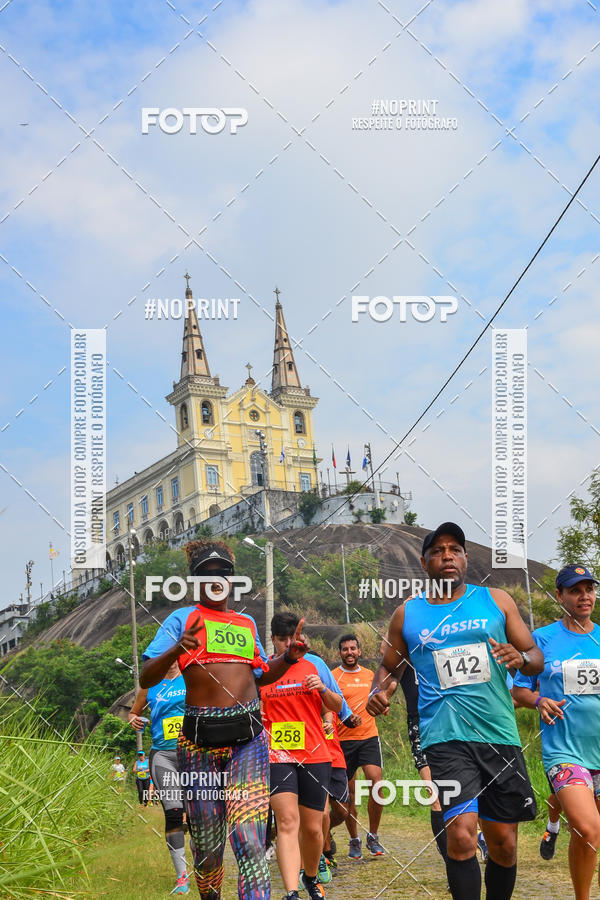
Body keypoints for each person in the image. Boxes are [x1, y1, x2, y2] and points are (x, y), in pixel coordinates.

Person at [366, 521, 543, 900]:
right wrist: (377, 692)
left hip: (498, 735)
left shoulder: (496, 600)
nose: (448, 555)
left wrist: (521, 656)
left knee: (504, 844)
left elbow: (536, 658)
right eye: (438, 551)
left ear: (465, 558)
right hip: (444, 738)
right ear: (424, 562)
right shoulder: (408, 614)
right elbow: (387, 667)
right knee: (461, 837)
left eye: (455, 549)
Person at [140, 539, 309, 900]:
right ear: (195, 581)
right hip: (197, 745)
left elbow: (262, 677)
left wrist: (290, 657)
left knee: (249, 842)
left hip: (247, 742)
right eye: (206, 574)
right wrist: (176, 649)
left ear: (233, 580)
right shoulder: (182, 620)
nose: (216, 580)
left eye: (224, 574)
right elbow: (146, 677)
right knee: (208, 849)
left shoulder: (246, 623)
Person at [513, 564, 600, 900]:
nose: (584, 596)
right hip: (565, 752)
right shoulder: (541, 640)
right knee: (588, 826)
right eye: (575, 590)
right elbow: (517, 691)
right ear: (560, 595)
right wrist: (538, 700)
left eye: (589, 589)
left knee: (588, 833)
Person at [260, 611, 343, 900]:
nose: (286, 644)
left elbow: (337, 704)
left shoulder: (314, 665)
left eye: (291, 638)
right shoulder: (265, 672)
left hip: (315, 754)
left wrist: (322, 690)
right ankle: (291, 893)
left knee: (312, 828)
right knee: (286, 822)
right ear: (271, 640)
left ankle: (309, 877)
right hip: (277, 755)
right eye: (281, 639)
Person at [129, 660, 190, 894]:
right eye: (166, 654)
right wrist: (134, 719)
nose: (171, 660)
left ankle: (206, 872)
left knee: (197, 814)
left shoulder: (190, 676)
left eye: (175, 654)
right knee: (174, 812)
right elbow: (135, 712)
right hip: (163, 755)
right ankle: (182, 877)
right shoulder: (150, 684)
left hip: (192, 752)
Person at [331, 634, 384, 858]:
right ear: (340, 653)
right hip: (344, 741)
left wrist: (383, 706)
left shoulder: (370, 675)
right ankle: (354, 840)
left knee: (377, 783)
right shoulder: (333, 676)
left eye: (353, 648)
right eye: (345, 649)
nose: (349, 652)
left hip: (369, 737)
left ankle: (373, 836)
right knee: (349, 794)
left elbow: (378, 699)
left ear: (359, 651)